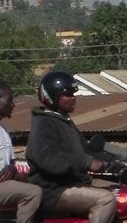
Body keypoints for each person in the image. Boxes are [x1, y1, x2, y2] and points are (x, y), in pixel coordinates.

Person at [26, 71, 116, 223]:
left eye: (73, 94)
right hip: (53, 190)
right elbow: (50, 160)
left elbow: (86, 150)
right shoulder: (44, 123)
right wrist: (86, 162)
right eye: (67, 95)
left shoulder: (64, 121)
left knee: (121, 191)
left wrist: (116, 160)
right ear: (52, 97)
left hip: (75, 182)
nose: (73, 99)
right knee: (105, 200)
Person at [0, 82, 42, 223]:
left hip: (1, 186)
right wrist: (8, 175)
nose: (13, 104)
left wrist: (11, 170)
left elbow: (11, 165)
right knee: (34, 193)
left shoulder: (3, 130)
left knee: (41, 184)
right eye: (9, 99)